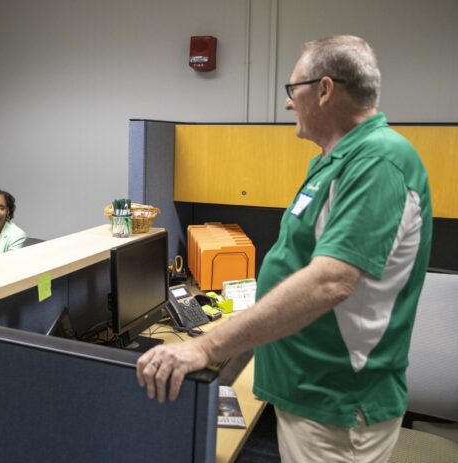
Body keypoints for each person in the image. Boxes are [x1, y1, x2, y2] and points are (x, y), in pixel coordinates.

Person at [136, 35, 431, 463]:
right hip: (305, 392)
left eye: (294, 90)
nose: (289, 103)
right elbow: (296, 265)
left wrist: (205, 346)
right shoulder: (333, 161)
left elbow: (329, 282)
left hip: (337, 406)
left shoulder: (379, 161)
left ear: (325, 90)